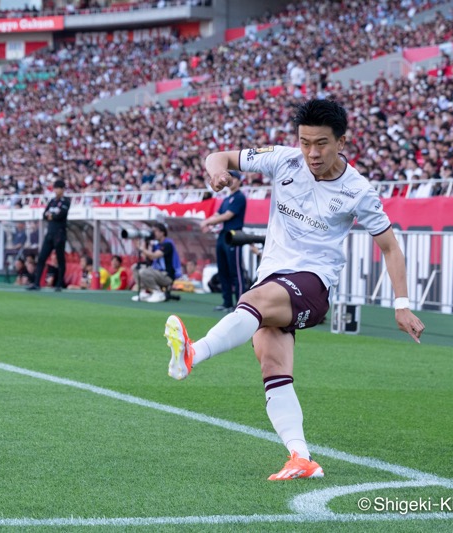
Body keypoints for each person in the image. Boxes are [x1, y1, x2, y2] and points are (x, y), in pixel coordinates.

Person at [164, 99, 426, 481]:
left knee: (252, 302)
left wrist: (402, 306)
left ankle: (193, 353)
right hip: (272, 277)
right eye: (305, 142)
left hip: (312, 283)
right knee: (273, 366)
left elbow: (389, 246)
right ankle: (301, 458)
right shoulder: (283, 159)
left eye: (321, 143)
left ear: (342, 141)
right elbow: (218, 156)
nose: (312, 153)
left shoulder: (358, 190)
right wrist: (217, 174)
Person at [200, 170, 247, 311]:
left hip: (234, 236)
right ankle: (226, 302)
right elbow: (218, 213)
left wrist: (208, 222)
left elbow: (227, 216)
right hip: (223, 235)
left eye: (233, 178)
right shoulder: (227, 199)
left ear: (239, 181)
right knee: (223, 270)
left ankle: (240, 304)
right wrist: (211, 222)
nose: (230, 180)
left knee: (236, 271)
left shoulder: (239, 197)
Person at [27, 179, 70, 291]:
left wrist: (52, 216)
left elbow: (60, 215)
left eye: (58, 188)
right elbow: (44, 215)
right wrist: (52, 215)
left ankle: (59, 284)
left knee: (60, 259)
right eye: (55, 188)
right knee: (42, 258)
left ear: (62, 189)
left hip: (59, 234)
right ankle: (37, 283)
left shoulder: (66, 201)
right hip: (50, 233)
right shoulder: (52, 201)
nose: (56, 190)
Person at [131, 223, 182, 303]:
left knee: (144, 272)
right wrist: (144, 243)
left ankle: (157, 292)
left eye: (155, 231)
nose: (153, 233)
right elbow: (147, 258)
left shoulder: (168, 244)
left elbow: (154, 256)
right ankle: (144, 292)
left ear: (162, 233)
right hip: (157, 273)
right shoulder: (156, 245)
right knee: (136, 267)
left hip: (166, 276)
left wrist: (141, 248)